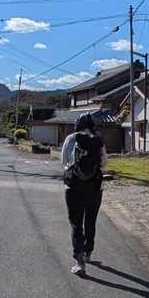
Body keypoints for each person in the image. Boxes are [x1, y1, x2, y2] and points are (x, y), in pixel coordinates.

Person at [60, 112, 106, 275]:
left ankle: (79, 262)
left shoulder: (71, 139)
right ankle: (88, 253)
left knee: (76, 223)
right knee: (90, 222)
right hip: (95, 187)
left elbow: (64, 161)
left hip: (73, 187)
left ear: (78, 124)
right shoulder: (98, 140)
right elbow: (104, 164)